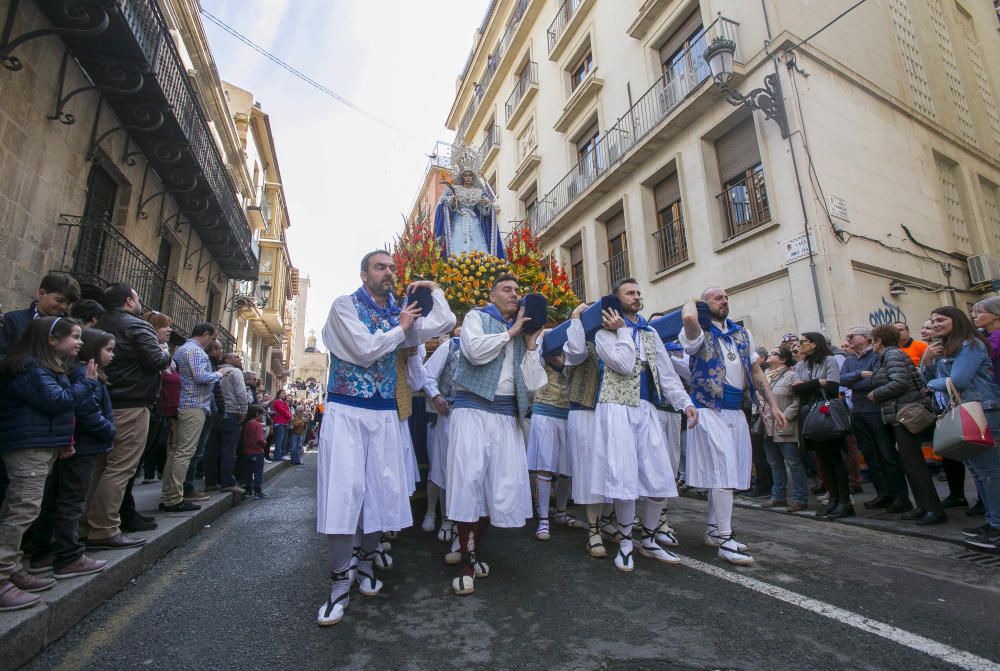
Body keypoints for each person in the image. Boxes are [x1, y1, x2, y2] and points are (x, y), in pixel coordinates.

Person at [316, 250, 454, 626]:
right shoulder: (344, 307)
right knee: (344, 494)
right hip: (346, 411)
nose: (389, 273)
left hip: (384, 415)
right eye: (381, 267)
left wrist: (431, 288)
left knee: (379, 493)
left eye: (393, 267)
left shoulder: (402, 313)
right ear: (364, 275)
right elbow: (363, 349)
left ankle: (364, 564)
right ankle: (338, 581)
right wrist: (402, 326)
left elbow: (445, 321)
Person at [445, 274, 545, 595]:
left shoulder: (522, 333)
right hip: (472, 411)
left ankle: (470, 551)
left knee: (498, 487)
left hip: (505, 417)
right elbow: (473, 351)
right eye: (507, 289)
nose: (514, 294)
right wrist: (511, 332)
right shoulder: (477, 317)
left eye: (517, 291)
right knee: (469, 482)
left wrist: (529, 345)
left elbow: (532, 384)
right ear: (492, 294)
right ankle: (468, 559)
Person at [592, 279, 698, 572]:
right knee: (624, 477)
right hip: (615, 408)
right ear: (617, 300)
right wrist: (623, 331)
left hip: (646, 408)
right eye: (630, 293)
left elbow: (666, 374)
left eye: (639, 293)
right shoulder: (603, 334)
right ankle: (626, 542)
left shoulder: (650, 333)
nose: (637, 296)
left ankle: (649, 539)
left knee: (659, 475)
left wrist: (685, 403)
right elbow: (624, 365)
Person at [680, 289, 786, 565]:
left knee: (731, 472)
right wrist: (693, 301)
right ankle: (725, 540)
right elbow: (689, 317)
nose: (724, 300)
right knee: (724, 471)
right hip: (707, 409)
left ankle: (715, 530)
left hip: (735, 410)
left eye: (726, 296)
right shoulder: (697, 331)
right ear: (705, 304)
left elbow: (756, 373)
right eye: (717, 297)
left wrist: (773, 405)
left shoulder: (742, 334)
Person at [0, 317, 97, 610]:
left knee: (22, 507)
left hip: (40, 445)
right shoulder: (32, 367)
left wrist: (63, 441)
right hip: (28, 448)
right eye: (75, 337)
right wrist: (86, 383)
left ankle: (12, 567)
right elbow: (58, 401)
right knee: (22, 508)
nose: (80, 342)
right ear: (52, 340)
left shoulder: (45, 367)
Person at [82, 284, 171, 549]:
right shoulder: (137, 325)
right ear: (130, 301)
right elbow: (157, 360)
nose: (140, 302)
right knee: (120, 467)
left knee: (100, 466)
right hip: (131, 403)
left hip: (105, 401)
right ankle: (105, 529)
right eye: (138, 298)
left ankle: (86, 525)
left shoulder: (101, 322)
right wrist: (164, 353)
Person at [26, 328, 115, 579]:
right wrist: (110, 430)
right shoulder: (85, 374)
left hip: (77, 444)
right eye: (108, 349)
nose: (113, 355)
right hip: (86, 445)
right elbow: (86, 411)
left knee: (56, 500)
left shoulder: (75, 372)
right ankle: (68, 556)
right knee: (72, 500)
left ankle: (44, 552)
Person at [922, 306, 1000, 549]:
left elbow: (958, 380)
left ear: (956, 320)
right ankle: (992, 522)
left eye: (941, 319)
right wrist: (926, 362)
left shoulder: (971, 344)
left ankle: (997, 529)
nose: (935, 324)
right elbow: (928, 379)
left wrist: (934, 383)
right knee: (978, 473)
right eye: (932, 320)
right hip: (967, 410)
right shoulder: (946, 349)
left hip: (983, 410)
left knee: (990, 473)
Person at [868, 325, 943, 525]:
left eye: (873, 341)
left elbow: (899, 382)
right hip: (899, 413)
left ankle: (933, 509)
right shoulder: (887, 356)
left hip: (905, 413)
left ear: (879, 341)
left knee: (914, 463)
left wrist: (877, 393)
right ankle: (922, 506)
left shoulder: (892, 356)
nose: (872, 345)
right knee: (910, 462)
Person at [840, 325, 912, 514]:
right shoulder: (849, 360)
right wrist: (859, 375)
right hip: (858, 411)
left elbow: (876, 380)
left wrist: (857, 381)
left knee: (887, 454)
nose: (848, 339)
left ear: (866, 338)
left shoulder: (876, 356)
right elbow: (842, 380)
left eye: (852, 336)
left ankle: (899, 496)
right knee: (871, 456)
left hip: (876, 410)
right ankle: (883, 493)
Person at [161, 323, 229, 512]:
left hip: (182, 404)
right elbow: (201, 377)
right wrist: (219, 373)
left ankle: (168, 494)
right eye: (213, 338)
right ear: (206, 335)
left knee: (175, 452)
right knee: (184, 452)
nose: (212, 342)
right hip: (194, 405)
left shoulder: (182, 350)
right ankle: (174, 498)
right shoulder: (197, 352)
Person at [526, 335, 581, 541]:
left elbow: (574, 370)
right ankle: (543, 519)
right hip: (544, 412)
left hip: (567, 413)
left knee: (567, 468)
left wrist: (563, 362)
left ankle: (561, 513)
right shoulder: (540, 349)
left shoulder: (571, 351)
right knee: (545, 466)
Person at [792, 332, 852, 519]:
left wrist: (807, 384)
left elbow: (833, 387)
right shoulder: (801, 364)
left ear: (814, 344)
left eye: (803, 342)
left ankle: (844, 501)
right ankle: (833, 499)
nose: (799, 346)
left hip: (827, 412)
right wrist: (818, 382)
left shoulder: (829, 360)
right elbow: (796, 388)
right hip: (810, 413)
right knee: (822, 459)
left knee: (835, 457)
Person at [420, 330, 461, 537]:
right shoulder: (451, 346)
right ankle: (434, 514)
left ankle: (452, 519)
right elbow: (426, 373)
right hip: (444, 416)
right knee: (440, 465)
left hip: (469, 417)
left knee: (459, 469)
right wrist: (436, 397)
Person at [432, 145, 505, 258]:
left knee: (477, 247)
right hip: (458, 221)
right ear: (462, 177)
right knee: (457, 247)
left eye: (470, 175)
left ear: (473, 177)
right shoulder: (455, 189)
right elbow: (444, 206)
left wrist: (486, 205)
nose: (468, 177)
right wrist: (452, 202)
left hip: (474, 222)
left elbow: (485, 212)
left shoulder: (478, 191)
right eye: (465, 175)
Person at [759, 347, 806, 511]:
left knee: (793, 462)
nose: (770, 355)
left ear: (783, 359)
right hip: (767, 425)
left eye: (774, 354)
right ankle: (778, 496)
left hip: (784, 423)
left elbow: (797, 400)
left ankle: (800, 498)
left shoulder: (791, 375)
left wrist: (786, 417)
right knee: (774, 462)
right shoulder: (764, 376)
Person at [0, 272, 80, 358]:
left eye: (69, 303)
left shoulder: (71, 328)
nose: (64, 307)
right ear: (41, 294)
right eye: (59, 300)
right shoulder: (14, 319)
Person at [205, 352, 248, 489]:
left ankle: (211, 482)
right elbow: (241, 392)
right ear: (228, 359)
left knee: (211, 449)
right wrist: (244, 410)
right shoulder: (235, 372)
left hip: (215, 412)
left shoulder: (216, 371)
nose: (239, 359)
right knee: (229, 450)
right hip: (232, 412)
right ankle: (227, 482)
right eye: (236, 357)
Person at [972, 297, 1000, 386]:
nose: (973, 316)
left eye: (979, 312)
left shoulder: (995, 339)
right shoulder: (979, 335)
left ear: (996, 314)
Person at [241, 405, 268, 499]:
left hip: (246, 452)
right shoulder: (258, 425)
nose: (262, 417)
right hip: (257, 452)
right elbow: (259, 439)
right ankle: (257, 491)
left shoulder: (247, 424)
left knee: (248, 472)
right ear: (257, 414)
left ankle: (248, 490)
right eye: (262, 415)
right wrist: (265, 443)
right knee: (258, 472)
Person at [270, 390, 293, 461]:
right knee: (279, 441)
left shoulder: (284, 402)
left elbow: (287, 410)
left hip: (285, 423)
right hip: (279, 423)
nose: (284, 394)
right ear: (278, 394)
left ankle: (283, 454)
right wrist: (290, 416)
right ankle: (277, 456)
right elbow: (282, 410)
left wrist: (290, 416)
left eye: (285, 393)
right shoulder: (277, 401)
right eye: (282, 393)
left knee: (284, 440)